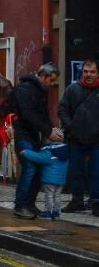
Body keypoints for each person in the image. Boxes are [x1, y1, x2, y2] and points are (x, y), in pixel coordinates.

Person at [11, 63, 63, 219]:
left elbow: (43, 115)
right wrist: (48, 131)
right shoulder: (24, 89)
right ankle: (20, 205)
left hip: (35, 137)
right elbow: (28, 115)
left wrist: (52, 129)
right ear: (43, 76)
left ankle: (30, 204)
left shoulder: (41, 91)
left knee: (38, 170)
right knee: (30, 168)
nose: (53, 84)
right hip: (24, 136)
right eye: (51, 80)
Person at [58, 60, 99, 215]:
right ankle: (77, 201)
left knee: (96, 171)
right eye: (86, 71)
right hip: (76, 138)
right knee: (76, 171)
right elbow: (62, 109)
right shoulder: (72, 89)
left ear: (97, 73)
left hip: (97, 140)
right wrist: (71, 127)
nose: (89, 74)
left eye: (92, 72)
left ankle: (96, 202)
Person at [20, 142, 70, 220]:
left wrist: (26, 152)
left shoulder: (50, 152)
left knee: (49, 196)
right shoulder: (65, 153)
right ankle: (56, 213)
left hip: (49, 180)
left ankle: (48, 213)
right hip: (61, 180)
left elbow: (38, 157)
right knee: (57, 196)